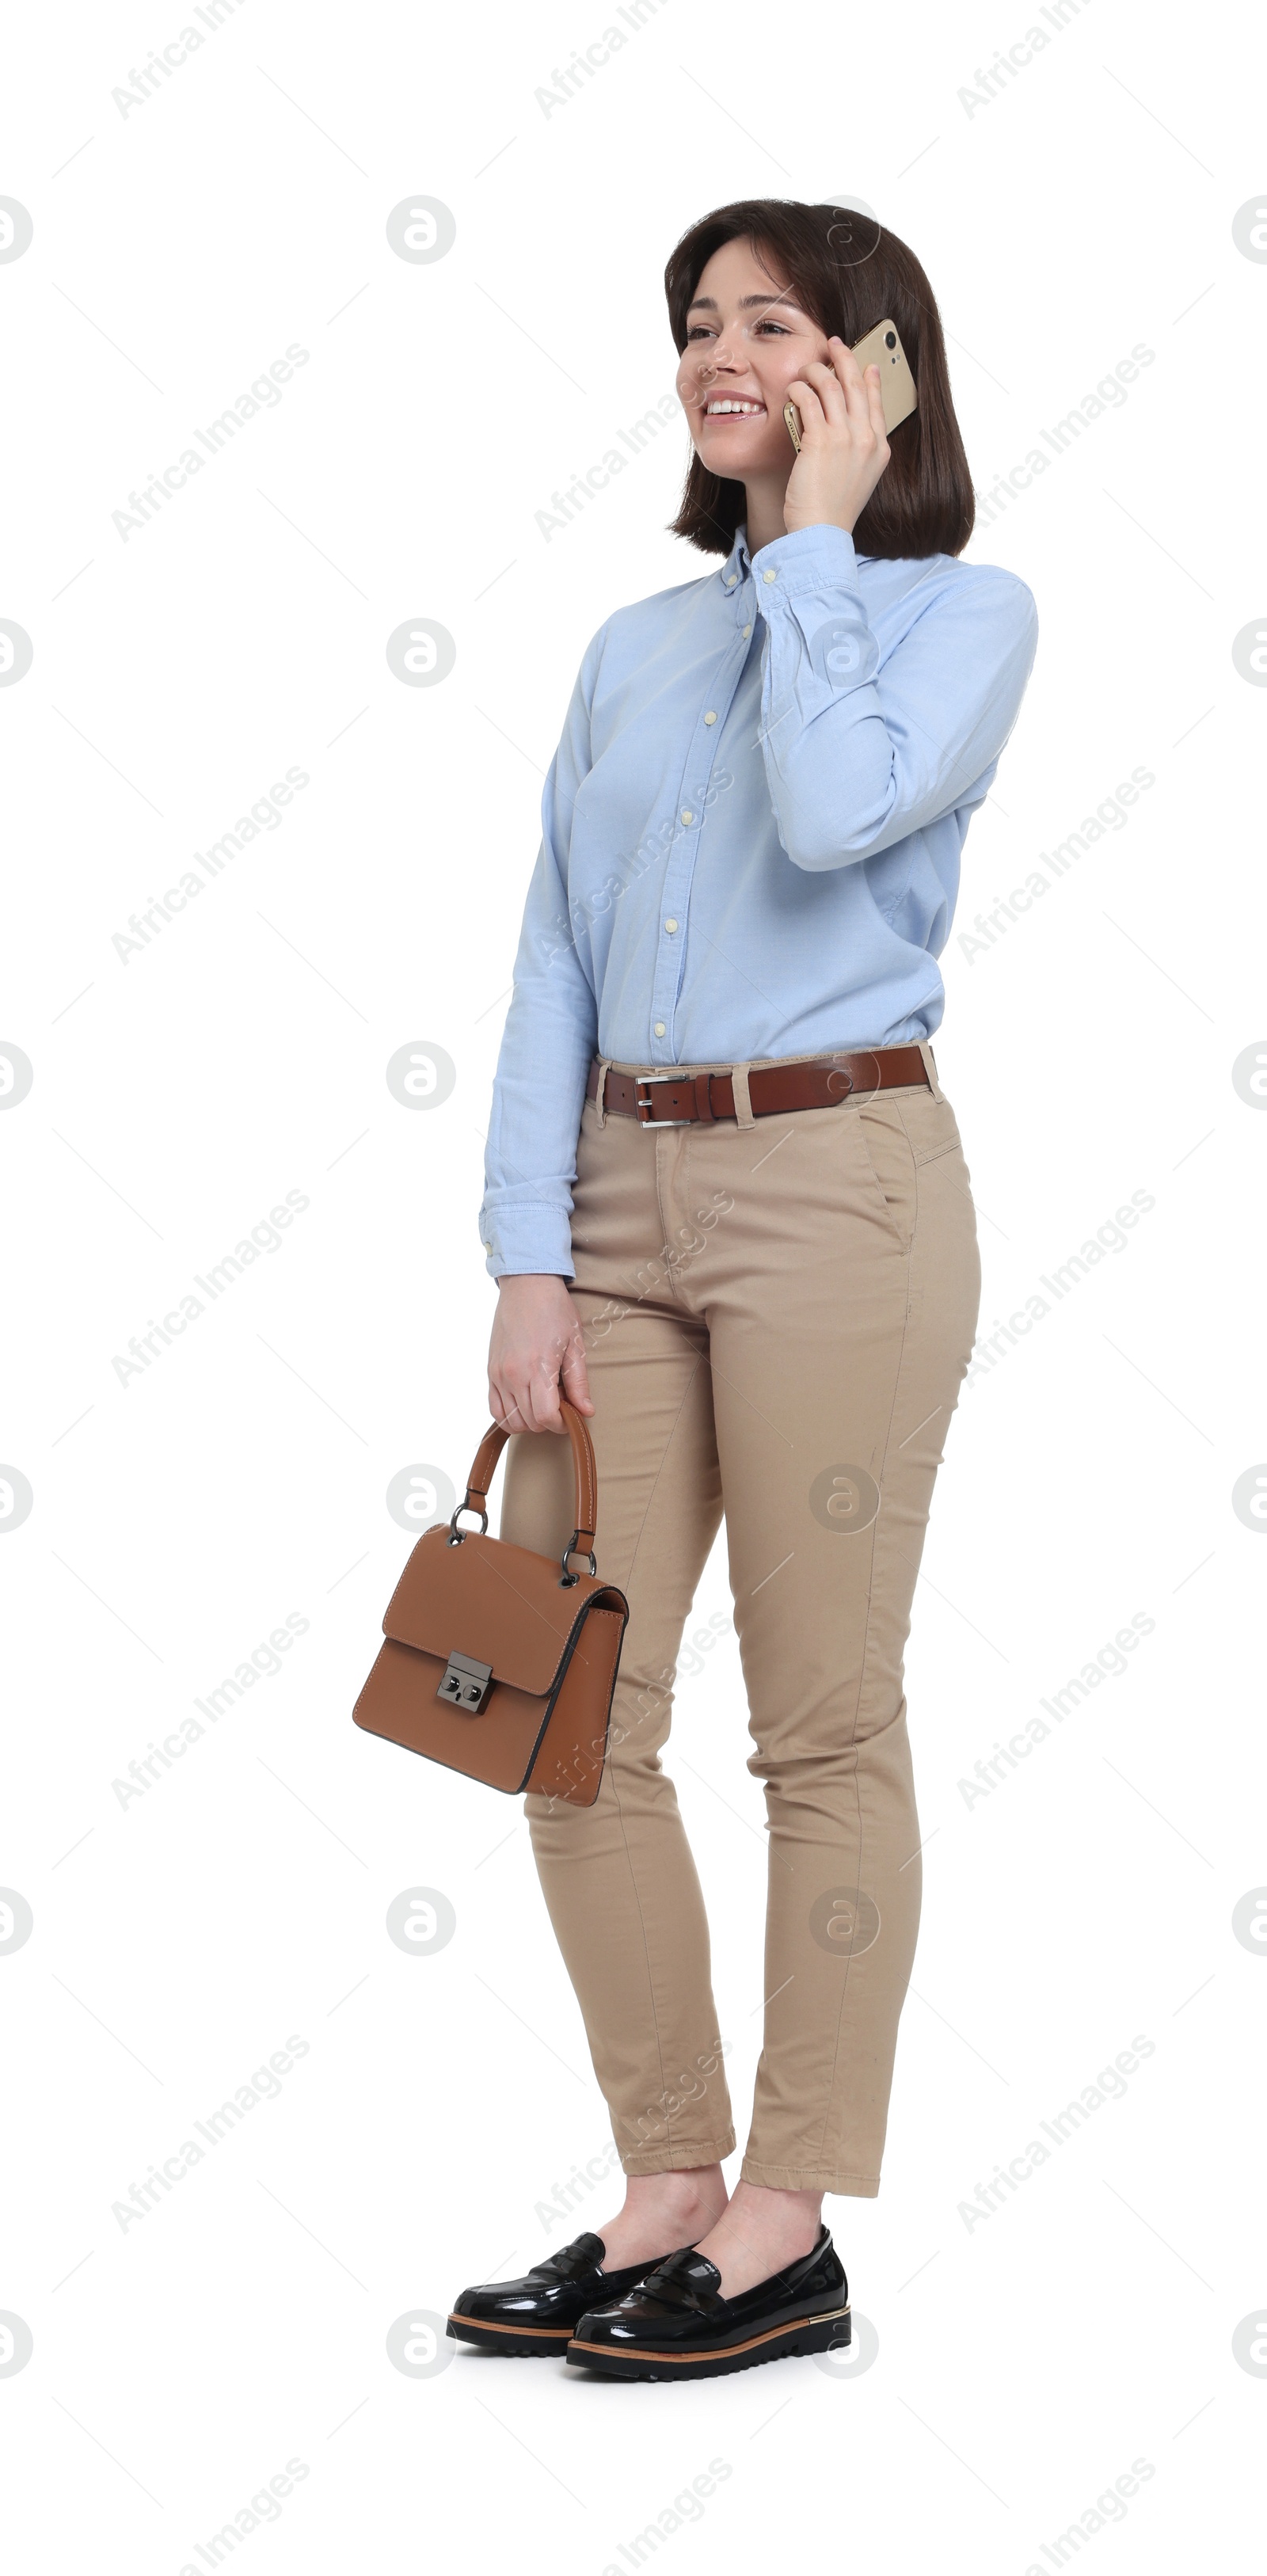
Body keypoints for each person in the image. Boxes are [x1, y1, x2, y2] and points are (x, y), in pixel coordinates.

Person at [448, 197, 1038, 2380]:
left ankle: (789, 2219)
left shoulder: (961, 613)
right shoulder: (627, 648)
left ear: (868, 365)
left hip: (838, 1196)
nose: (718, 351)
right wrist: (526, 1255)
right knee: (559, 1703)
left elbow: (833, 810)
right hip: (618, 1202)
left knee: (824, 1722)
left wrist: (814, 536)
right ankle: (668, 2183)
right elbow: (550, 962)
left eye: (770, 322)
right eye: (698, 322)